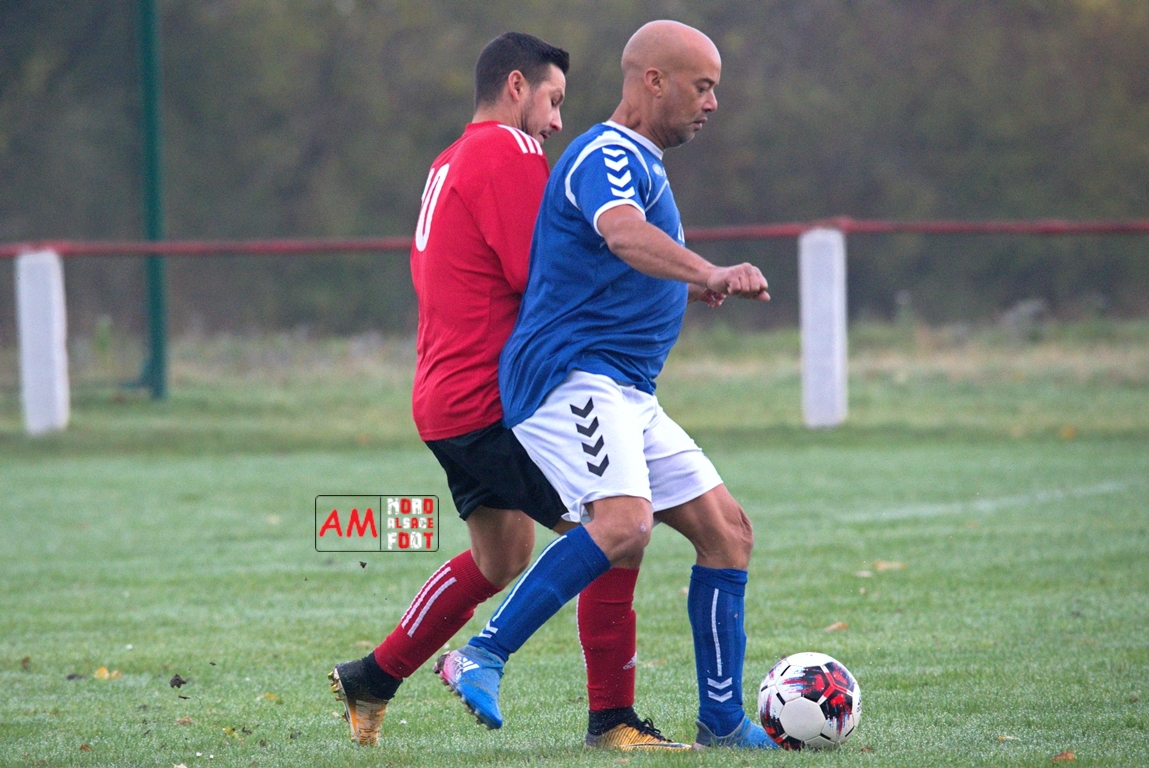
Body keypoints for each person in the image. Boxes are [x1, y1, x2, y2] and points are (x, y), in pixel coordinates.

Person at [327, 32, 688, 751]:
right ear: (516, 86)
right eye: (553, 100)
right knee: (616, 526)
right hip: (492, 399)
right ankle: (611, 719)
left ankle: (372, 676)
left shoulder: (449, 158)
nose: (557, 122)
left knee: (502, 556)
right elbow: (540, 274)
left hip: (442, 394)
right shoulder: (509, 149)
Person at [435, 20, 779, 750]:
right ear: (653, 80)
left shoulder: (644, 162)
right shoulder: (607, 152)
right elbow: (621, 232)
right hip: (568, 377)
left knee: (728, 533)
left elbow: (610, 262)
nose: (712, 103)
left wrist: (684, 286)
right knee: (623, 523)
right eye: (702, 86)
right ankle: (480, 653)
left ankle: (721, 723)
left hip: (626, 390)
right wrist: (709, 270)